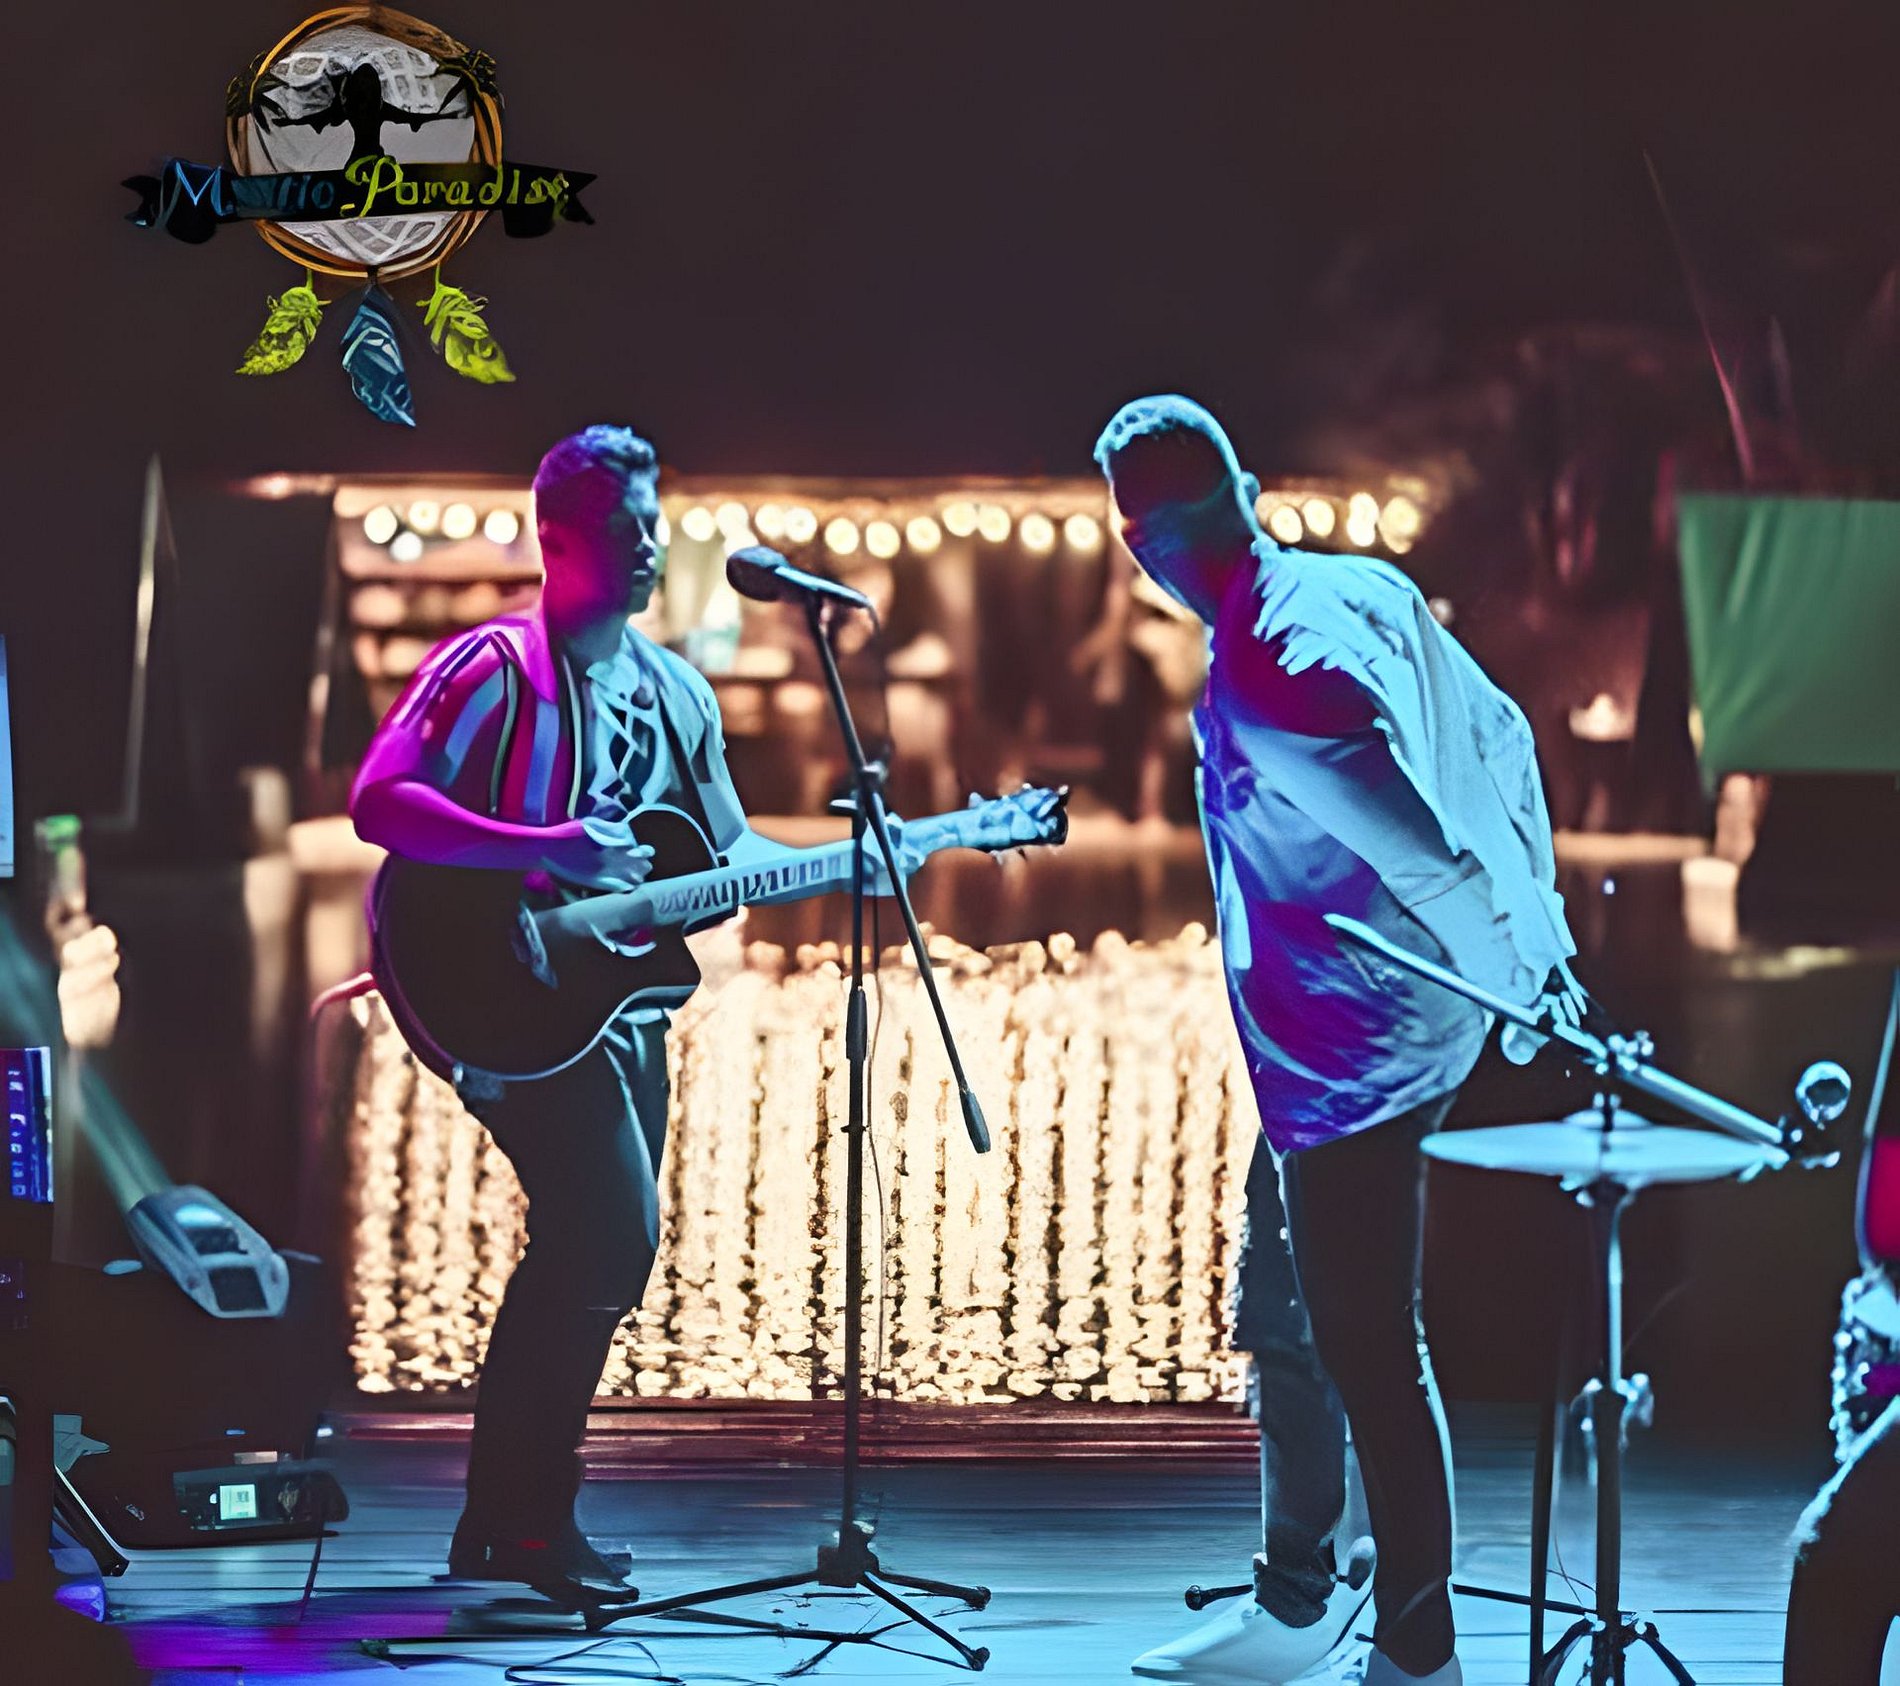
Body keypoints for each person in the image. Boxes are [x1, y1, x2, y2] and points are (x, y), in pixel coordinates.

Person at [1097, 396, 1582, 1686]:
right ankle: (1298, 1597)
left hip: (1358, 1063)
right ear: (1249, 489)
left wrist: (1527, 977)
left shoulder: (1273, 679)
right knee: (1288, 1306)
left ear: (1142, 546)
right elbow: (1501, 737)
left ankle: (1417, 1652)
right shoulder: (1354, 589)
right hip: (1324, 1052)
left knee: (1366, 1341)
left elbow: (1429, 865)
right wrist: (1536, 922)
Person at [351, 425, 815, 1597]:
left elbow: (728, 852)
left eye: (654, 524)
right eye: (623, 527)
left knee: (599, 1245)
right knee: (604, 1233)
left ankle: (508, 1523)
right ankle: (524, 1524)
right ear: (557, 540)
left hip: (613, 1010)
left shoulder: (676, 692)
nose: (649, 546)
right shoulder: (492, 670)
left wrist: (861, 856)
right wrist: (542, 846)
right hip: (489, 982)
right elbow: (381, 800)